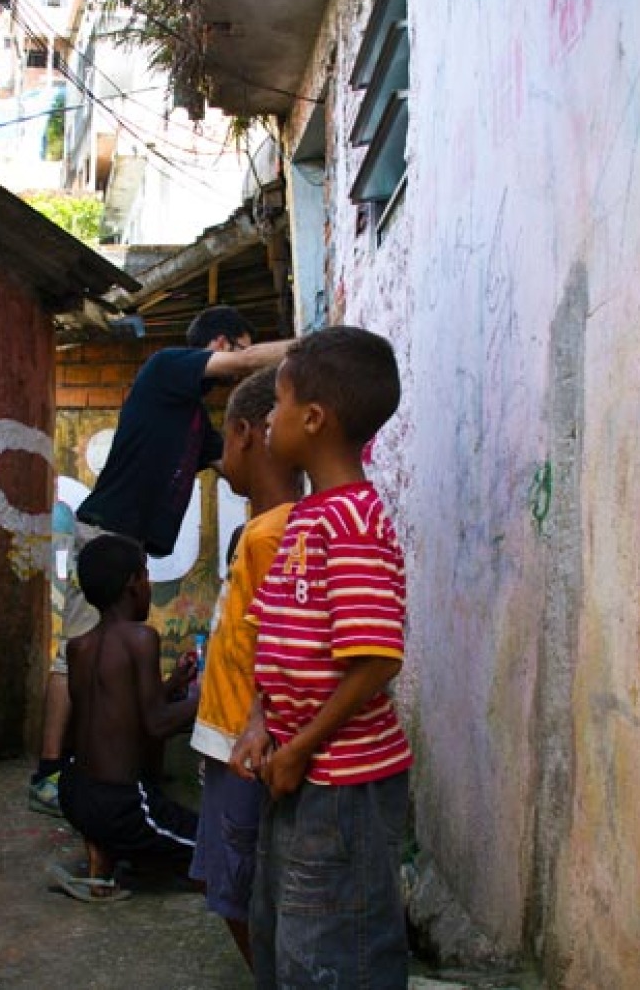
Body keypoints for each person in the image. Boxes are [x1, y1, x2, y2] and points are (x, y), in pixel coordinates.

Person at [30, 307, 293, 814]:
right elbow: (249, 365)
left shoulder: (194, 421)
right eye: (242, 347)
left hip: (130, 545)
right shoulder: (168, 368)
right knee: (79, 652)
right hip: (105, 532)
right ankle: (48, 772)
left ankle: (103, 764)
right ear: (220, 344)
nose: (246, 360)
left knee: (109, 653)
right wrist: (310, 352)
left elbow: (237, 464)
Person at [232, 326, 414, 989]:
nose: (268, 419)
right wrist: (259, 723)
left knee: (335, 946)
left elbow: (376, 660)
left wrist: (303, 746)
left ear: (312, 418)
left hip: (343, 784)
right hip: (295, 766)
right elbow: (272, 635)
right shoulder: (305, 519)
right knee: (286, 933)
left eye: (276, 405)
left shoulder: (355, 526)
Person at [188, 367, 301, 967]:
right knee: (226, 885)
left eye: (223, 442)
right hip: (229, 738)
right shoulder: (256, 531)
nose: (220, 457)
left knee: (242, 893)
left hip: (245, 743)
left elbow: (280, 646)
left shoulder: (276, 534)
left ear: (246, 434)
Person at [50, 535, 201, 902]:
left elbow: (120, 711)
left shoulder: (79, 646)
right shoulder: (140, 638)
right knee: (214, 847)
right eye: (147, 577)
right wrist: (205, 697)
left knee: (155, 835)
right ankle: (129, 846)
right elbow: (157, 724)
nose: (149, 586)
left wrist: (175, 684)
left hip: (73, 793)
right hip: (121, 804)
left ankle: (105, 850)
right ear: (133, 584)